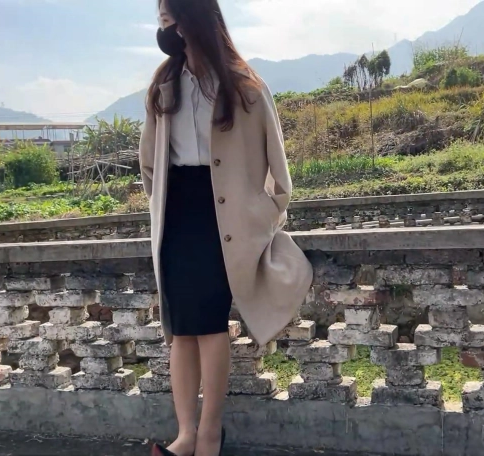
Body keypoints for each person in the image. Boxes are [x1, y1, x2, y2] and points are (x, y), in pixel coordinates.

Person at [139, 1, 314, 455]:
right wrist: (160, 207)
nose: (164, 28)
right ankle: (185, 435)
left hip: (225, 218)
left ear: (192, 18)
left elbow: (278, 170)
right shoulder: (163, 84)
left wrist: (265, 215)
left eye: (168, 19)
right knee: (181, 328)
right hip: (177, 214)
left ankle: (210, 435)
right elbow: (149, 163)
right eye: (161, 21)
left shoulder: (244, 87)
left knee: (210, 325)